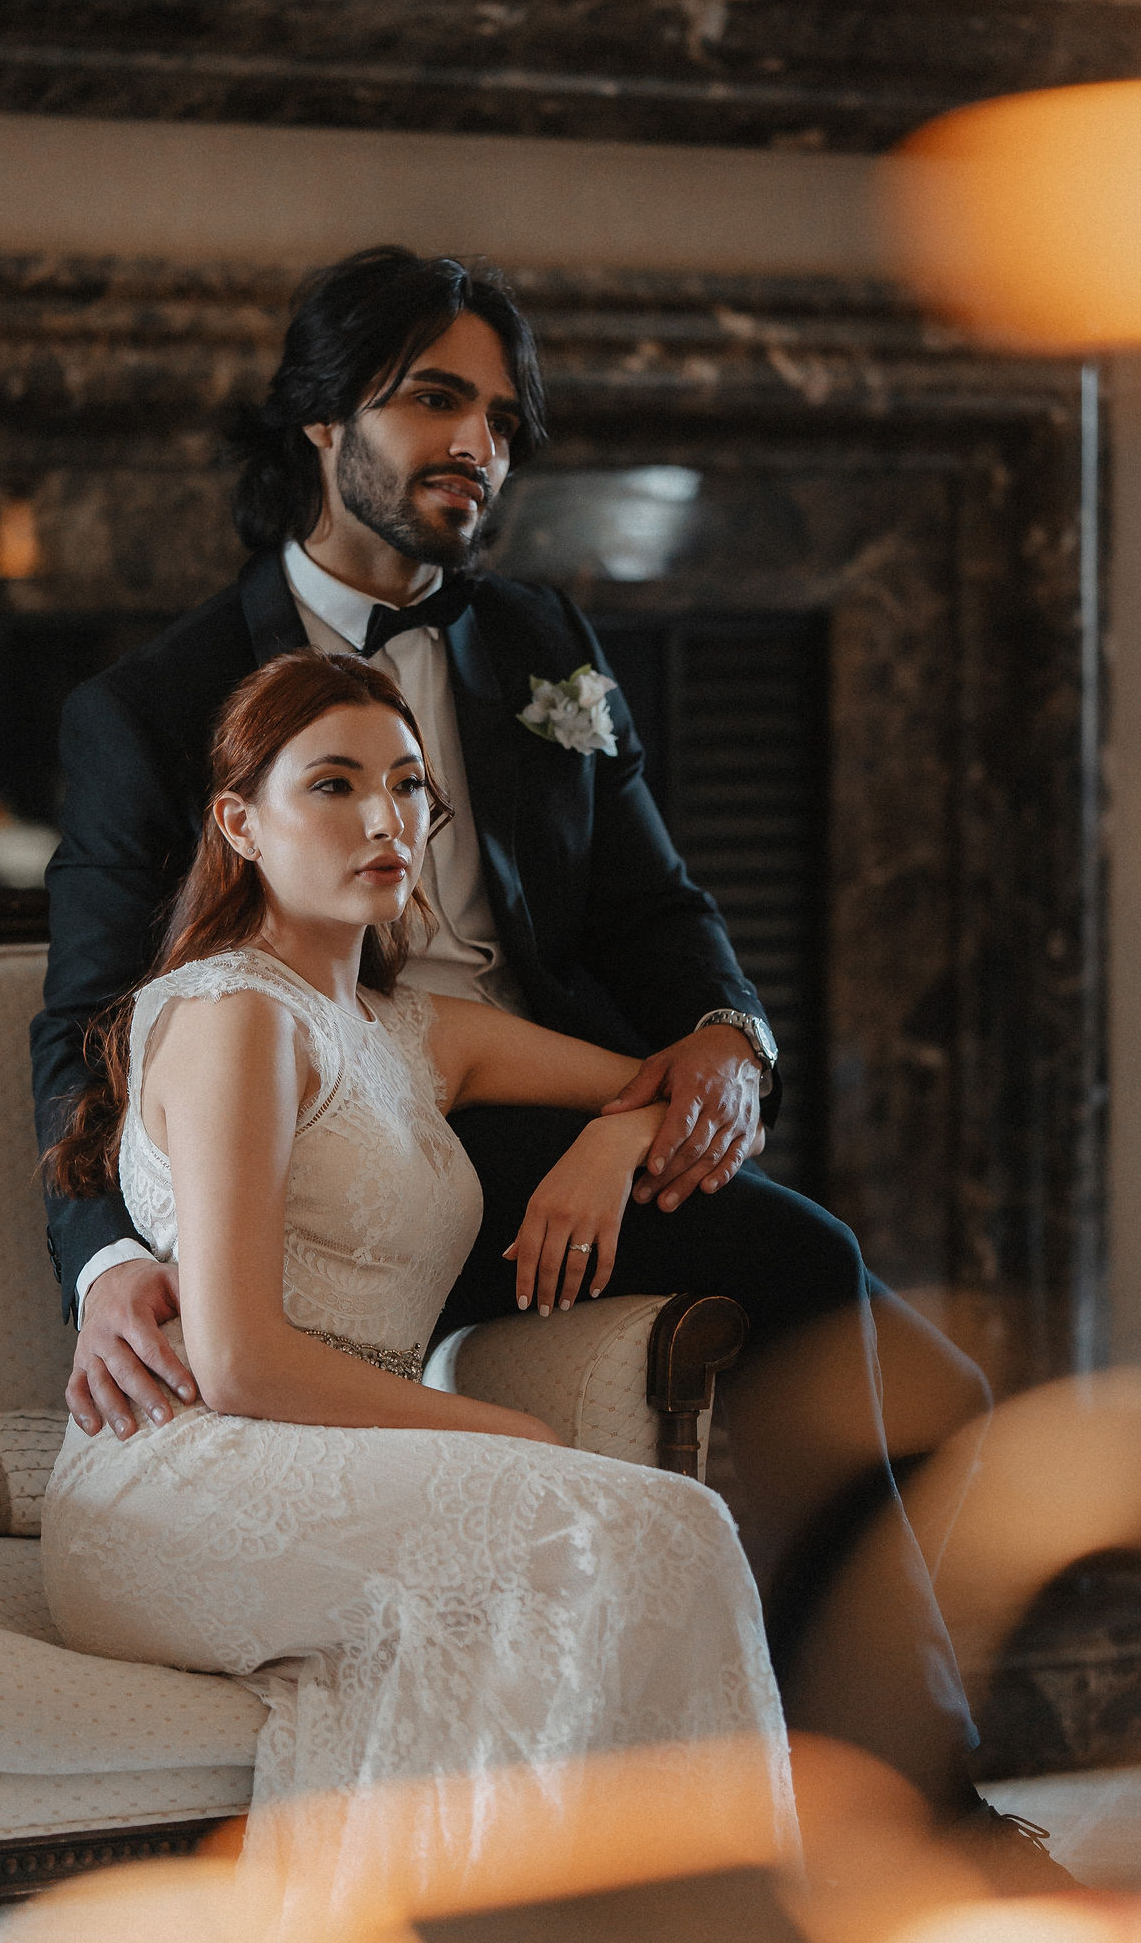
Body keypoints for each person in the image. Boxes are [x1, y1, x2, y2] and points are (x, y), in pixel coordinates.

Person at [30, 244, 1062, 1877]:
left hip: (501, 1093)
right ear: (321, 421)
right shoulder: (155, 707)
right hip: (302, 1148)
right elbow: (91, 1016)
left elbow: (661, 908)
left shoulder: (541, 640)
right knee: (835, 1300)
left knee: (823, 1277)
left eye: (503, 418)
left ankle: (883, 1800)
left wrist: (719, 1044)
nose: (479, 447)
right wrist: (104, 1268)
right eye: (434, 397)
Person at [39, 652, 795, 1905]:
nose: (384, 819)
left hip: (353, 1460)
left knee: (653, 1535)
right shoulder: (234, 1014)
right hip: (183, 1473)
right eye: (333, 785)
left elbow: (666, 1082)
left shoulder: (417, 1036)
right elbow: (235, 1359)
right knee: (651, 1525)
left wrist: (611, 1136)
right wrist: (504, 1429)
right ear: (241, 822)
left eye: (406, 786)